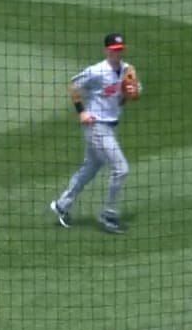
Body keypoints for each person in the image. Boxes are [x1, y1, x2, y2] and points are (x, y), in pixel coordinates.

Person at [49, 32, 141, 234]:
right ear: (106, 50)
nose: (117, 53)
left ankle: (62, 205)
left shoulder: (127, 70)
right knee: (121, 168)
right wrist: (82, 112)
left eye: (120, 50)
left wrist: (131, 94)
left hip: (110, 126)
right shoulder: (97, 71)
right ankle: (109, 215)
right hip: (97, 126)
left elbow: (130, 95)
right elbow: (74, 85)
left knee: (90, 167)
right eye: (114, 50)